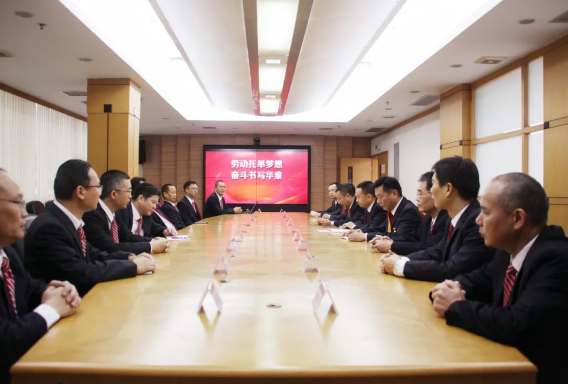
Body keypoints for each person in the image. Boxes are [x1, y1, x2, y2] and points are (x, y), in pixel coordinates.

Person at [431, 173, 568, 384]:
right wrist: (445, 290)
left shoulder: (555, 259)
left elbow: (515, 324)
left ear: (518, 219)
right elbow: (474, 281)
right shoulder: (506, 252)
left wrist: (455, 306)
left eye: (485, 212)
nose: (477, 220)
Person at [24, 160, 155, 297]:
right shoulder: (50, 228)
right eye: (98, 187)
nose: (100, 194)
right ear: (80, 191)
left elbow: (93, 254)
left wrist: (129, 258)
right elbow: (81, 273)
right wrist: (133, 267)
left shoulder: (67, 221)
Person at [0, 168, 81, 383]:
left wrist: (55, 290)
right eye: (17, 203)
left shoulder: (6, 251)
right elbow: (4, 342)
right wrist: (50, 309)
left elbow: (27, 285)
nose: (25, 213)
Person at [381, 156, 494, 281]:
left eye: (433, 184)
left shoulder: (477, 222)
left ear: (448, 189)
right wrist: (404, 260)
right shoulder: (454, 217)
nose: (431, 190)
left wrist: (400, 266)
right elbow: (438, 251)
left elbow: (452, 269)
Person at [82, 170, 169, 254]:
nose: (131, 196)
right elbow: (111, 248)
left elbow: (128, 236)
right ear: (114, 194)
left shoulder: (115, 212)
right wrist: (151, 246)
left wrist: (154, 241)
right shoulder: (92, 215)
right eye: (129, 191)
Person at [372, 172, 449, 254]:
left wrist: (392, 246)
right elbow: (412, 237)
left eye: (420, 194)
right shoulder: (428, 218)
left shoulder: (446, 219)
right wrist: (388, 240)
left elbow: (428, 248)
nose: (417, 199)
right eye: (417, 194)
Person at [356, 176, 421, 242]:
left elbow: (398, 236)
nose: (378, 201)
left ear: (394, 194)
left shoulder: (409, 211)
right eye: (377, 198)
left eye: (380, 197)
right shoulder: (391, 208)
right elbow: (381, 229)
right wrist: (360, 231)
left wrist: (366, 236)